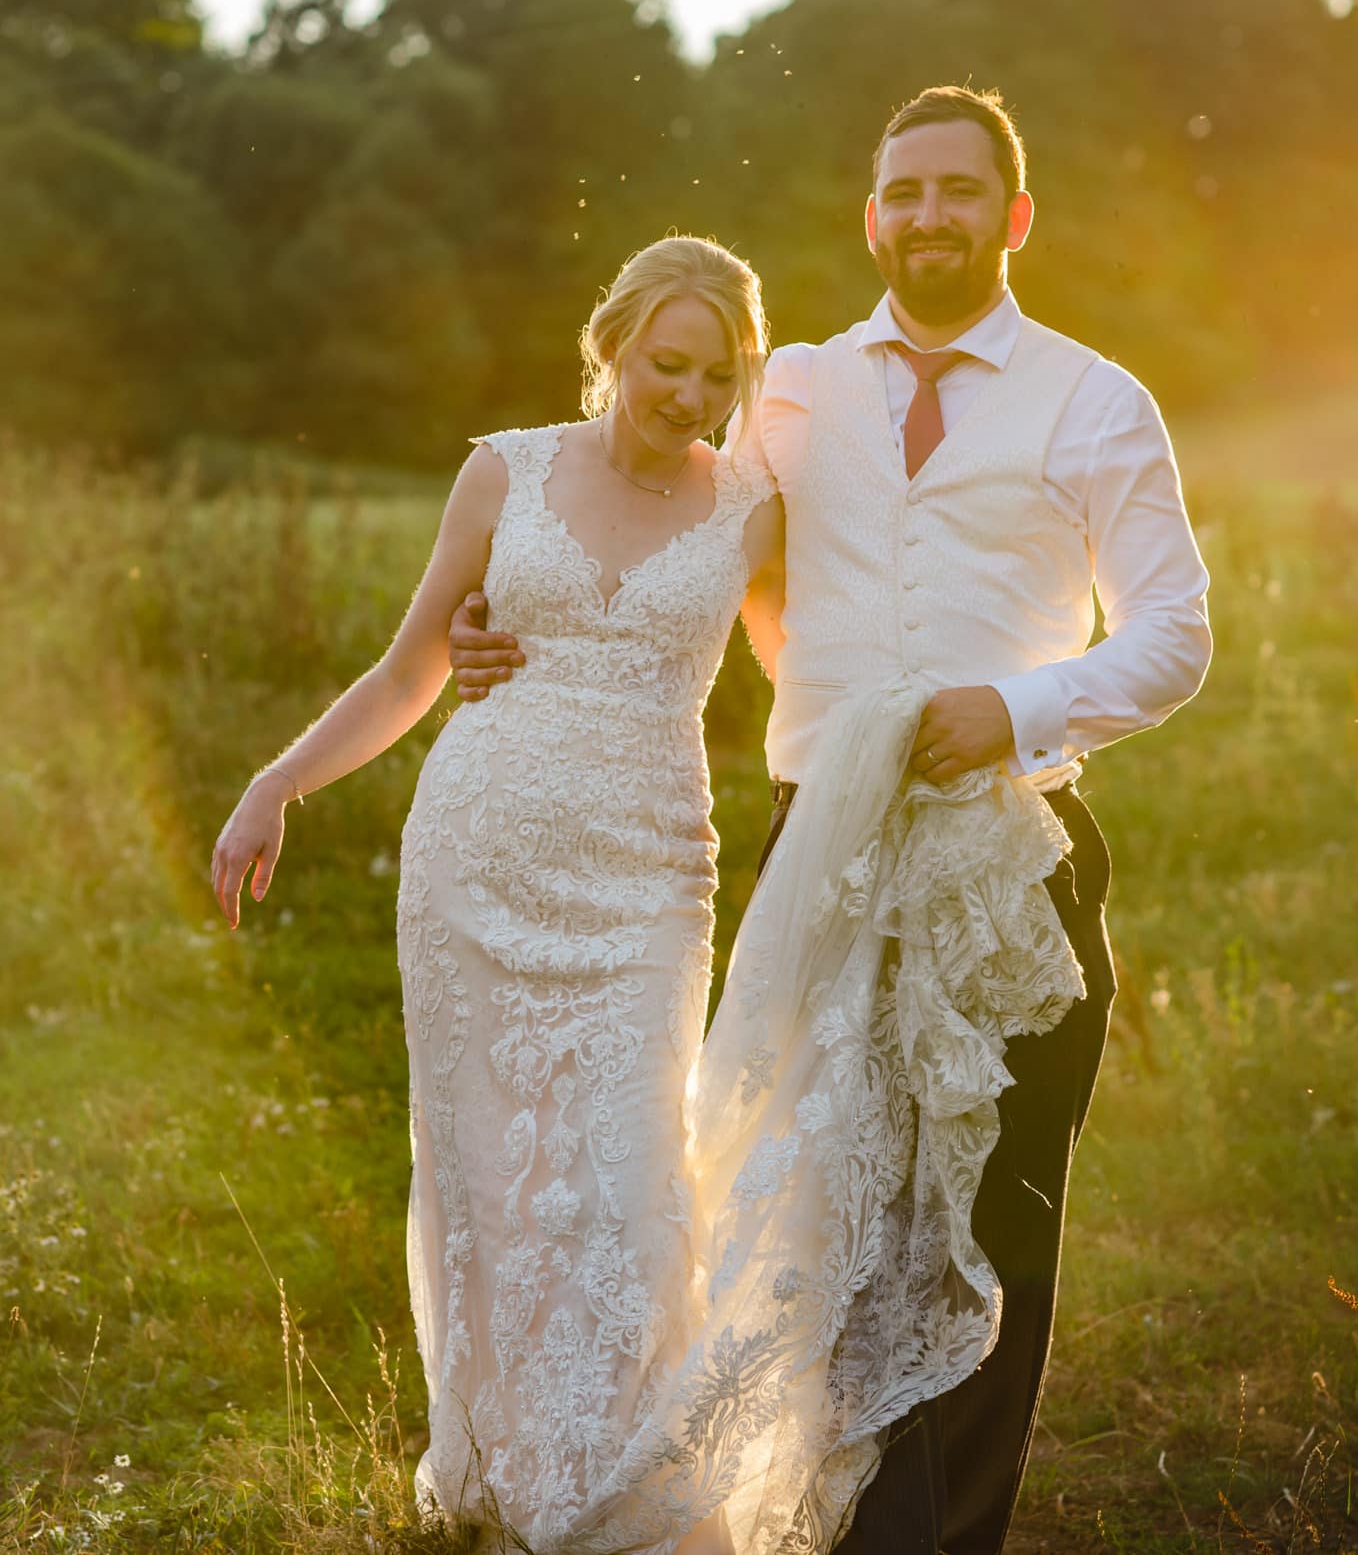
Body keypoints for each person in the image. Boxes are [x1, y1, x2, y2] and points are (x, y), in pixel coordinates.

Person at [450, 85, 1213, 1553]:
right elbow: (666, 512)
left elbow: (1177, 634)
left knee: (990, 1237)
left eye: (960, 191)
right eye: (905, 193)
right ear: (873, 218)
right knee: (824, 1225)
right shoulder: (794, 383)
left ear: (1013, 216)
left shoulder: (1096, 398)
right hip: (827, 857)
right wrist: (502, 609)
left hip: (1015, 862)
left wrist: (1022, 706)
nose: (931, 216)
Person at [211, 235, 786, 1550]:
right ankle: (503, 1464)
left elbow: (805, 670)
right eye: (666, 363)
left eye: (715, 374)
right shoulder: (504, 471)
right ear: (614, 347)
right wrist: (276, 783)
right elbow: (410, 669)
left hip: (649, 876)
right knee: (490, 1177)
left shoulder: (756, 509)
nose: (687, 395)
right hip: (476, 858)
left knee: (633, 1176)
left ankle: (619, 1474)